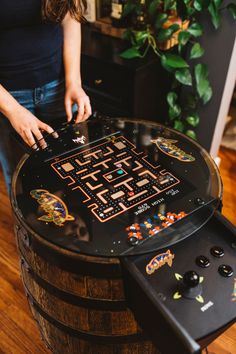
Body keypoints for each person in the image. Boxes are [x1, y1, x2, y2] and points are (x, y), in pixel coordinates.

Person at [0, 0, 92, 194]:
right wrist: (13, 110)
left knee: (78, 171)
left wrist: (74, 82)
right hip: (7, 97)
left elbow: (70, 17)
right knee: (22, 182)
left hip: (59, 88)